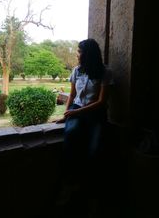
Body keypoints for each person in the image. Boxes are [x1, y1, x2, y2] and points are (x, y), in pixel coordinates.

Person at [55, 38, 113, 208]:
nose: (77, 54)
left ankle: (92, 190)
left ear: (88, 54)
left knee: (95, 149)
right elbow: (72, 96)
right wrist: (67, 115)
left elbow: (102, 101)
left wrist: (76, 112)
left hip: (95, 114)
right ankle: (70, 184)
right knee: (71, 134)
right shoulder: (76, 71)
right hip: (77, 110)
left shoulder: (105, 73)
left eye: (79, 51)